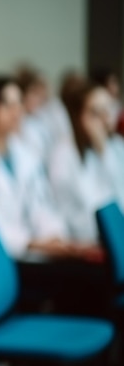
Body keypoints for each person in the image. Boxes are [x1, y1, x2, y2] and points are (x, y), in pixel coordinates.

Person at [0, 76, 85, 259]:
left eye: (19, 102)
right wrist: (29, 243)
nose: (16, 111)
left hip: (34, 251)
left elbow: (41, 205)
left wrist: (54, 235)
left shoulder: (24, 153)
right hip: (0, 257)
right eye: (6, 104)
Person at [49, 81, 124, 244]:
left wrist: (103, 151)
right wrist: (101, 149)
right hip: (85, 239)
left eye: (108, 109)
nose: (105, 118)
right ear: (79, 116)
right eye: (96, 112)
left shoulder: (117, 146)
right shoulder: (63, 154)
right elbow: (90, 206)